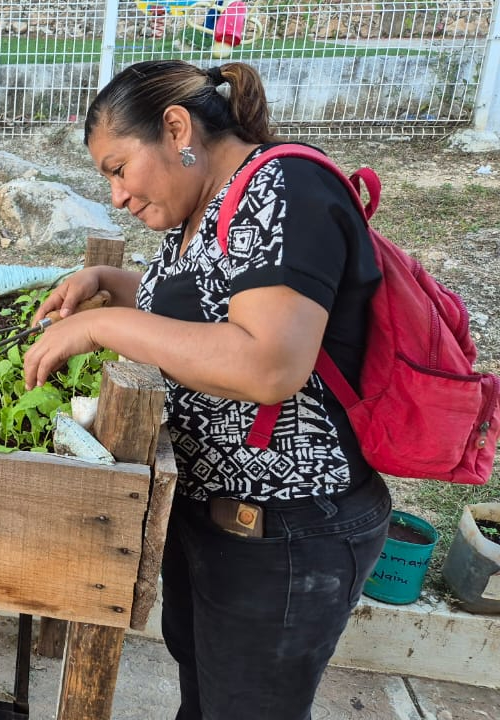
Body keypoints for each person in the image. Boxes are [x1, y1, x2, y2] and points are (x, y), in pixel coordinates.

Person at [23, 61, 391, 719]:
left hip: (285, 534)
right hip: (220, 523)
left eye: (117, 168)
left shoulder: (287, 188)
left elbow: (269, 364)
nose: (115, 196)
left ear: (174, 126)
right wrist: (114, 280)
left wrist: (108, 325)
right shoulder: (213, 204)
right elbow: (215, 301)